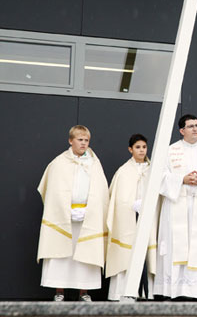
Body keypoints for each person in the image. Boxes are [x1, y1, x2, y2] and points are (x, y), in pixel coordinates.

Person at [153, 114, 197, 299]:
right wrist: (182, 179)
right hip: (178, 204)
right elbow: (159, 176)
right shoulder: (170, 151)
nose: (195, 129)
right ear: (181, 130)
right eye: (191, 126)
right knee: (175, 244)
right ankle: (173, 290)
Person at [36, 125, 109, 302]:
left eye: (86, 140)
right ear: (71, 140)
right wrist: (65, 210)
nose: (83, 144)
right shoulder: (59, 163)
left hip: (87, 216)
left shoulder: (94, 163)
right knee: (61, 253)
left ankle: (84, 292)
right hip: (64, 215)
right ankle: (59, 291)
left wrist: (89, 210)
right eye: (80, 140)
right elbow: (51, 190)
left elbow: (101, 191)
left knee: (85, 254)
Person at [106, 134, 157, 301]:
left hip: (147, 217)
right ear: (130, 149)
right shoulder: (124, 171)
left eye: (144, 147)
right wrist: (131, 205)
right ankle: (121, 292)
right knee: (126, 254)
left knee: (146, 252)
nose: (141, 150)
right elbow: (118, 198)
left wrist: (148, 204)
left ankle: (145, 291)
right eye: (138, 147)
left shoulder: (153, 170)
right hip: (129, 218)